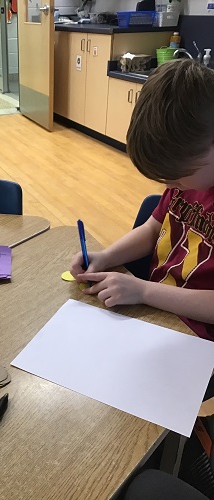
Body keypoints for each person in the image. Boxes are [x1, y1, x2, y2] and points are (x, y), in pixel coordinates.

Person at [70, 59, 214, 342]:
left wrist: (144, 291)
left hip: (198, 340)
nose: (170, 186)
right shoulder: (188, 180)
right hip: (156, 315)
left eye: (179, 177)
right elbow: (152, 230)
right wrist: (105, 257)